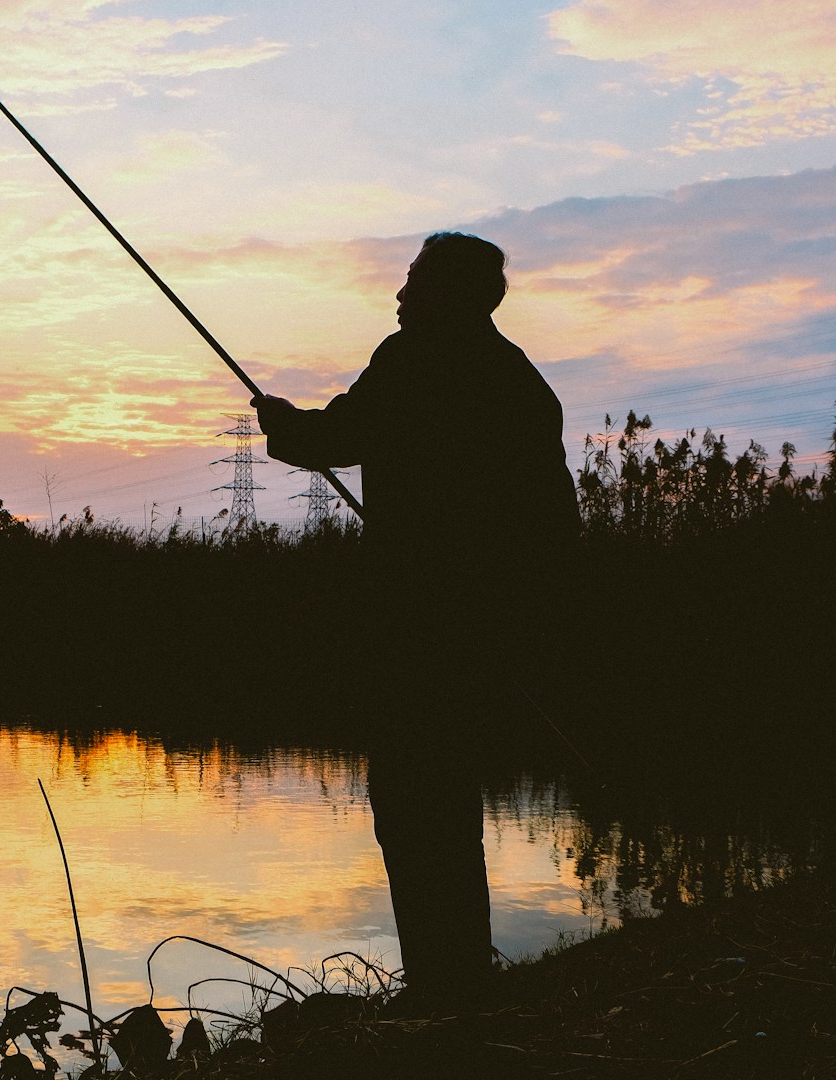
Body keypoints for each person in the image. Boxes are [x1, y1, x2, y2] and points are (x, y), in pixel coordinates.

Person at [252, 231, 579, 1003]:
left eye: (413, 283)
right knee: (448, 799)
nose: (399, 297)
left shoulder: (415, 360)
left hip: (417, 627)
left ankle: (442, 983)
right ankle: (455, 974)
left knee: (411, 800)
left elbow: (336, 438)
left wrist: (279, 422)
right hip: (487, 630)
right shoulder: (520, 382)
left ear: (450, 295)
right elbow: (557, 522)